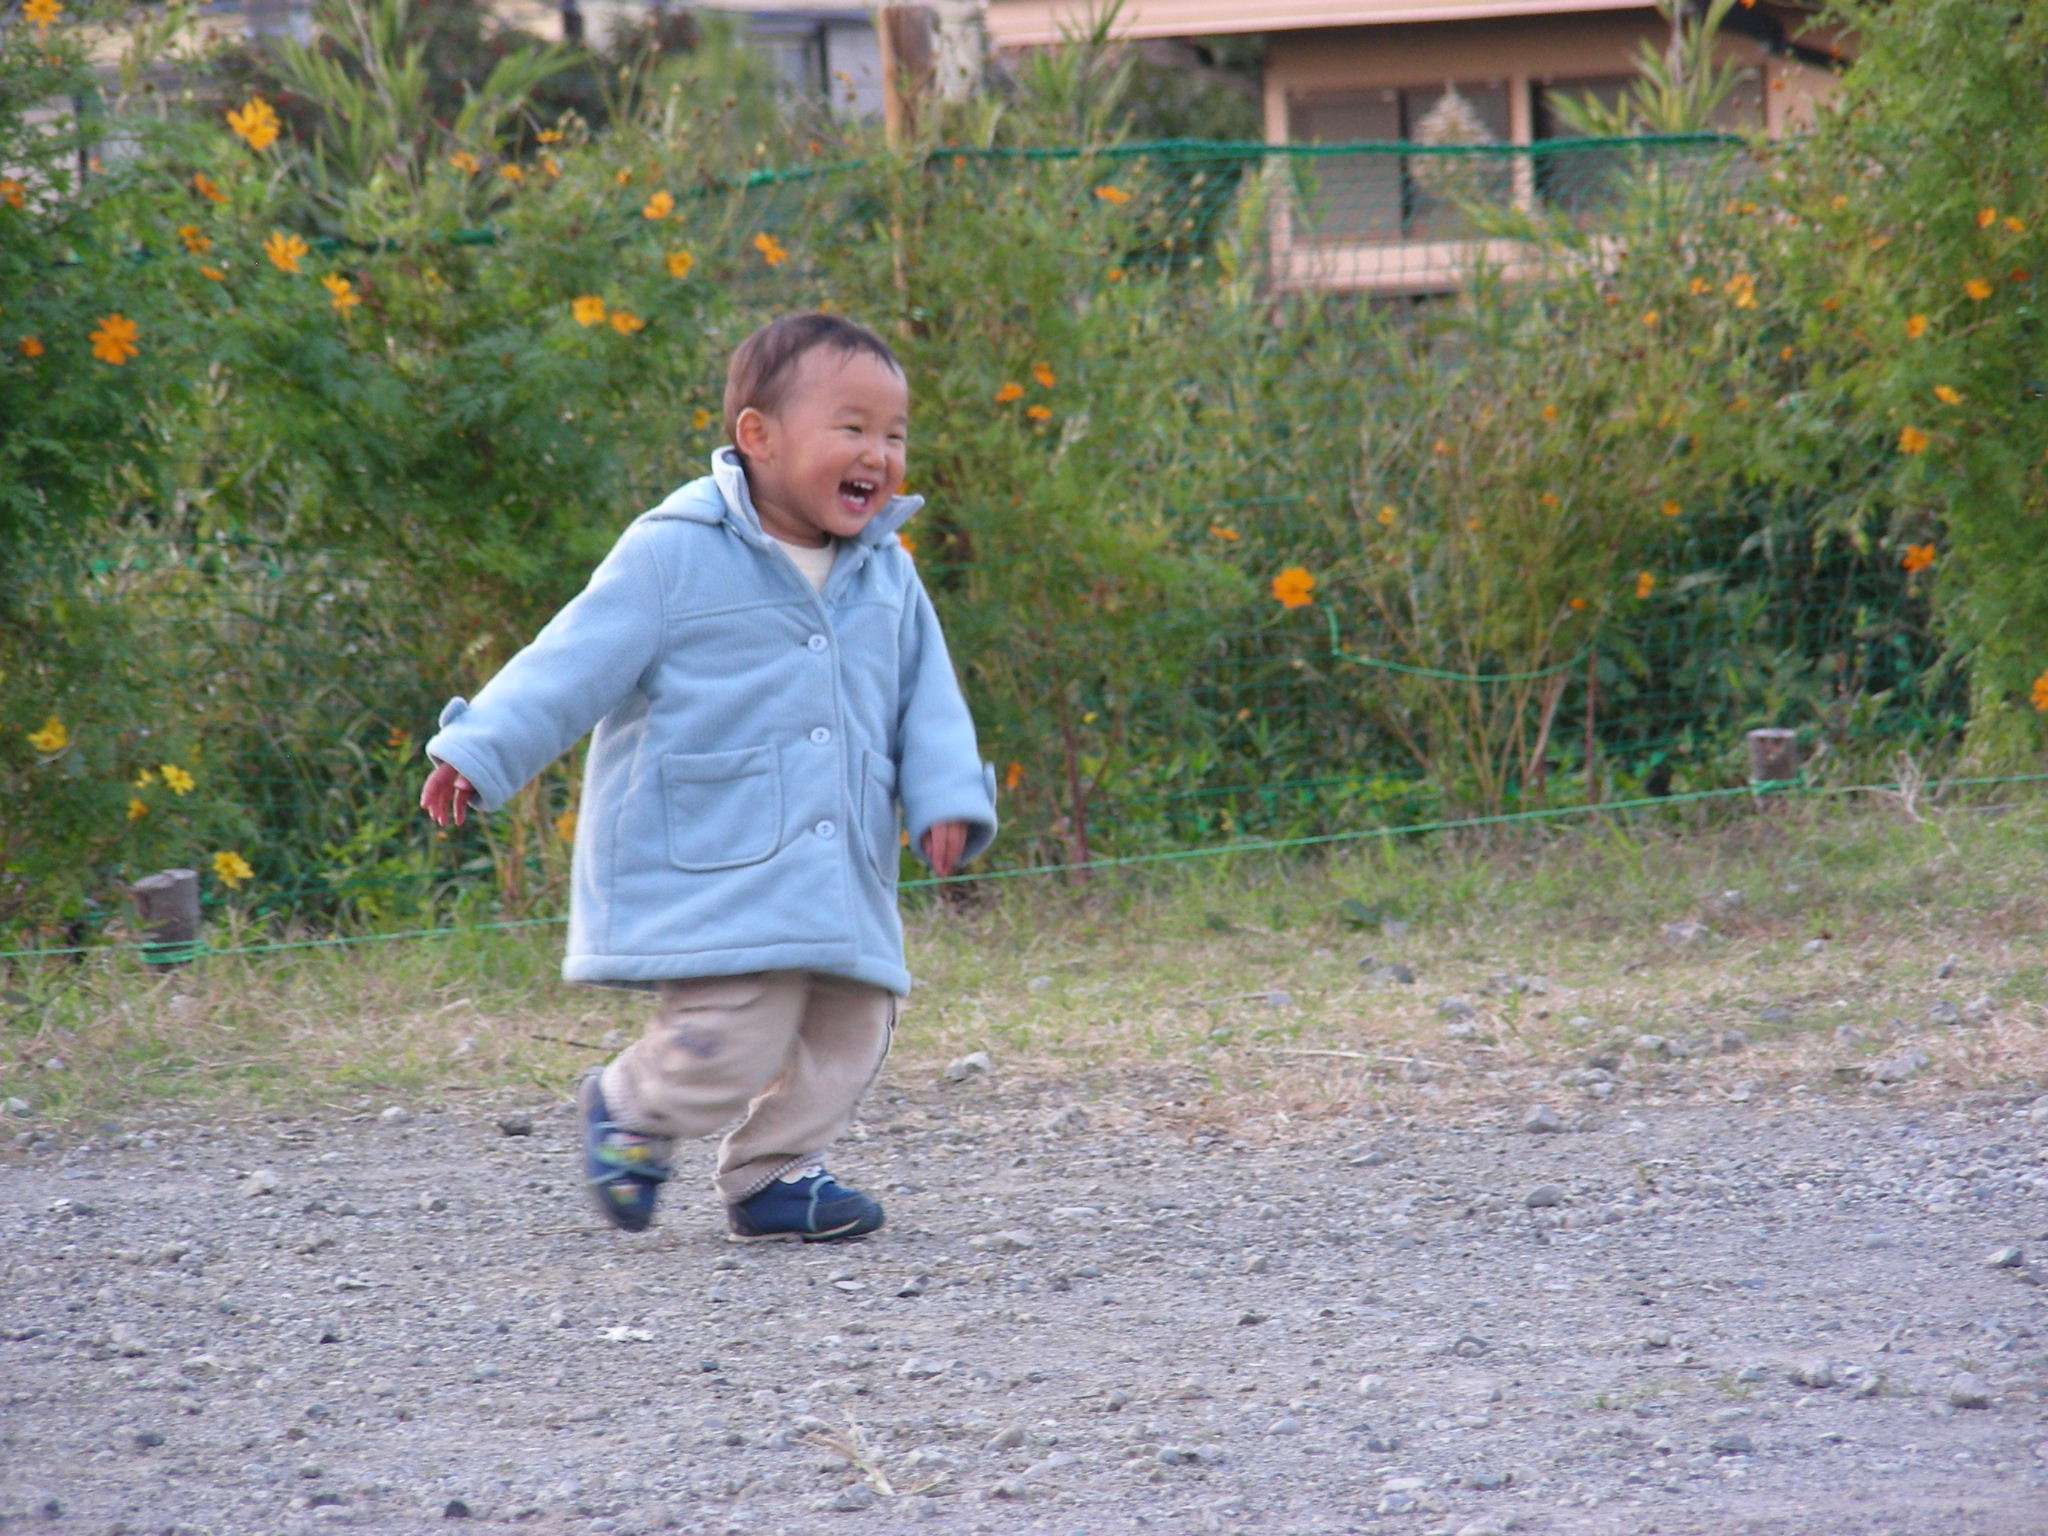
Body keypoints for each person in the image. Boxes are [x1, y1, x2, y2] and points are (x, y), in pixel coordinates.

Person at [418, 312, 997, 1242]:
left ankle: (776, 1174)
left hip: (840, 865)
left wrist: (948, 798)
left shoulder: (887, 573)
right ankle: (630, 1107)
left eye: (895, 435)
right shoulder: (674, 551)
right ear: (758, 436)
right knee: (735, 1035)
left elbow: (928, 699)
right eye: (852, 428)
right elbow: (571, 660)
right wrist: (481, 747)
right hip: (718, 858)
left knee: (856, 1023)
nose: (879, 455)